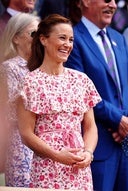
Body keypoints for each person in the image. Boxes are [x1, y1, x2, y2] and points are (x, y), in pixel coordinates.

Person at [16, 14, 101, 190]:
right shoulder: (30, 82)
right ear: (43, 39)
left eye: (70, 39)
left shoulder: (82, 80)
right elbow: (26, 133)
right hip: (47, 168)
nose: (67, 44)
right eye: (62, 38)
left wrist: (88, 153)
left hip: (79, 168)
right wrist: (57, 155)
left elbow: (90, 126)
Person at [65, 0, 128, 190]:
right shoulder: (72, 38)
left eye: (115, 1)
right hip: (98, 145)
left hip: (126, 143)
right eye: (107, 0)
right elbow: (80, 90)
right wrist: (118, 120)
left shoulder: (118, 37)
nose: (113, 5)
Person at [0, 12, 39, 187]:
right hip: (21, 144)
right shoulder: (9, 68)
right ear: (16, 38)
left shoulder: (42, 68)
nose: (38, 38)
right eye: (33, 33)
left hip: (46, 141)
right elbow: (9, 113)